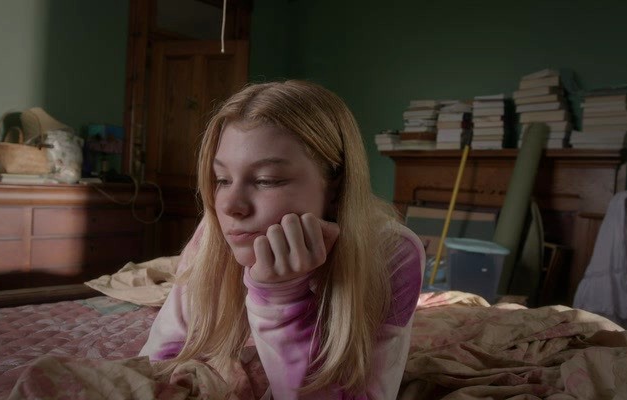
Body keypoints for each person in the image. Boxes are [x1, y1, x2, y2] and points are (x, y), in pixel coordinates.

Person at [140, 80, 425, 399]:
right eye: (222, 179)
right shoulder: (213, 232)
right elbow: (157, 360)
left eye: (267, 180)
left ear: (335, 186)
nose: (231, 206)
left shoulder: (392, 253)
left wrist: (281, 302)